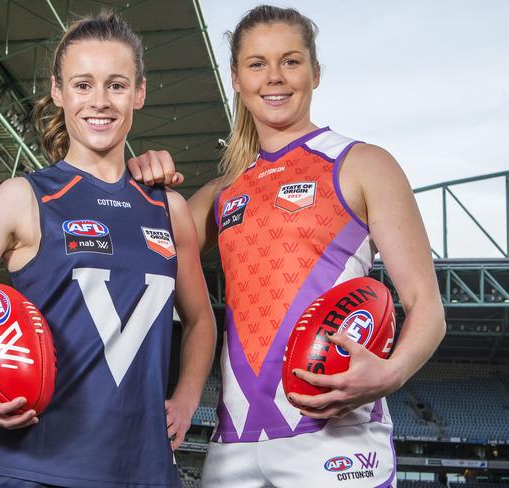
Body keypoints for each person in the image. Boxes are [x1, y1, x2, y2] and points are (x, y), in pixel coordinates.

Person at [127, 5, 445, 487]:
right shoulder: (222, 191)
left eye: (290, 61)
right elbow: (134, 250)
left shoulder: (364, 164)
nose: (274, 77)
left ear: (315, 72)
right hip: (232, 442)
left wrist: (391, 373)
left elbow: (427, 306)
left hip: (335, 439)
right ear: (236, 78)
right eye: (257, 64)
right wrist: (141, 181)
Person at [0, 11, 216, 488]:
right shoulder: (23, 197)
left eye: (116, 85)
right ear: (58, 91)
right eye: (82, 85)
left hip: (147, 473)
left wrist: (186, 396)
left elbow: (200, 319)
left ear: (139, 92)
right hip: (36, 470)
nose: (100, 102)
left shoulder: (168, 208)